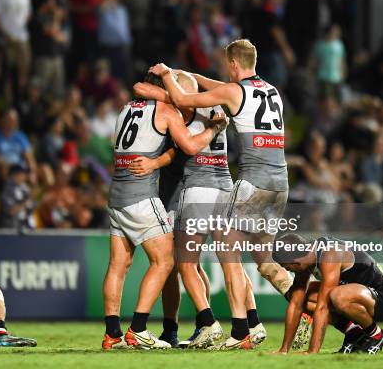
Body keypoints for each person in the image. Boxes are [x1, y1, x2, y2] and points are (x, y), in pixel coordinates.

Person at [146, 39, 295, 349]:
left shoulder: (222, 96)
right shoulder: (270, 92)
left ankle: (219, 326)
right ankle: (289, 306)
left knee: (197, 260)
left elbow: (180, 97)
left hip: (229, 183)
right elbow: (213, 87)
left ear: (232, 65)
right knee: (261, 261)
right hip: (275, 182)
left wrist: (166, 75)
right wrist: (188, 74)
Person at [102, 72, 227, 350]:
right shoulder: (166, 109)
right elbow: (191, 146)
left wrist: (156, 161)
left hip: (117, 194)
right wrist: (215, 129)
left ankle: (112, 334)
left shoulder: (124, 110)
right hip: (141, 196)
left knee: (117, 266)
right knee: (167, 260)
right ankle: (138, 329)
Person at [272, 234, 383, 354]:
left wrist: (312, 351)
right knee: (303, 297)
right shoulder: (305, 260)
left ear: (296, 262)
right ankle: (355, 333)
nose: (288, 271)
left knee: (337, 296)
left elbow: (322, 307)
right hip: (356, 297)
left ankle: (376, 334)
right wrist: (284, 350)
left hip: (382, 301)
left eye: (287, 268)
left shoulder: (330, 254)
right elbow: (295, 304)